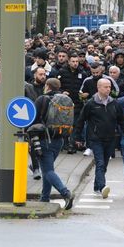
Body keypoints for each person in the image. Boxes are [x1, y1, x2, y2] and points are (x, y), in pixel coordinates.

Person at [75, 78, 124, 199]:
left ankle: (96, 186)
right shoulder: (91, 104)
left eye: (109, 87)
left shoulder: (114, 103)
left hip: (110, 138)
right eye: (106, 87)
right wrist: (77, 137)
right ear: (99, 88)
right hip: (95, 139)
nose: (108, 89)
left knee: (104, 164)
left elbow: (122, 120)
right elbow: (81, 120)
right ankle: (102, 187)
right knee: (100, 163)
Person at [31, 78, 74, 209]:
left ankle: (65, 193)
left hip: (44, 139)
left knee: (48, 170)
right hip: (59, 140)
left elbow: (33, 118)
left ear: (47, 86)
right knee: (47, 169)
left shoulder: (42, 99)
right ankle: (44, 198)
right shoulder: (64, 99)